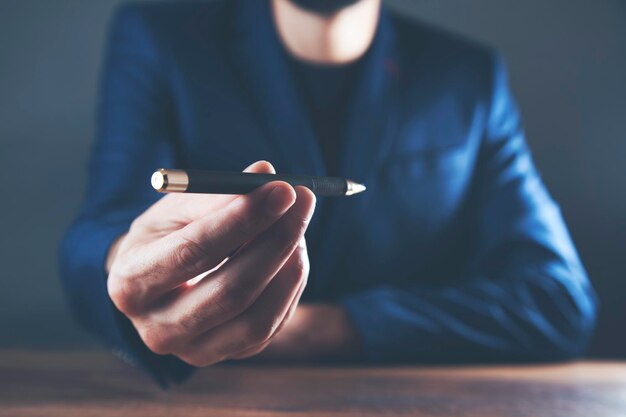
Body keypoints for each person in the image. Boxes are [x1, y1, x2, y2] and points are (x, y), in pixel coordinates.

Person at [59, 0, 597, 387]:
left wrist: (316, 328)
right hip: (217, 400)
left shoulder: (467, 77)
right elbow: (96, 234)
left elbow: (557, 301)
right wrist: (127, 265)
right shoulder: (159, 38)